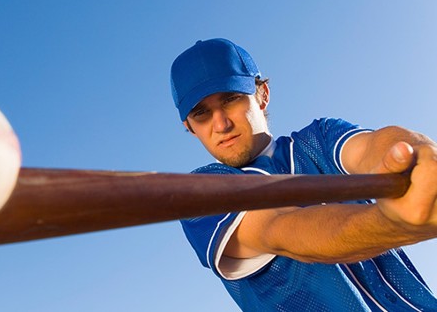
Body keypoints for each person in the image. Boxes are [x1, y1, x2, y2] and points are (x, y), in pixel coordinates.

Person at [170, 38, 437, 311]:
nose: (221, 124)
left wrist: (420, 155)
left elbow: (374, 147)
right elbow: (284, 230)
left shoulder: (319, 139)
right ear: (189, 127)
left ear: (262, 95)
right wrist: (396, 224)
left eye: (231, 98)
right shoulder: (199, 193)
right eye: (201, 114)